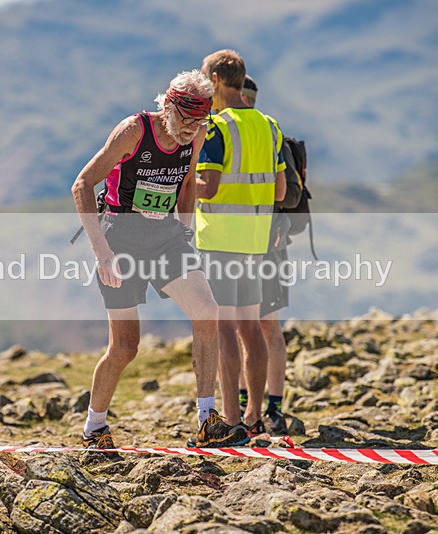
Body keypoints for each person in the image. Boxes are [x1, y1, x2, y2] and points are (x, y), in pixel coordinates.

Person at [71, 69, 249, 449]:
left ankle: (206, 419)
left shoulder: (198, 132)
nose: (191, 130)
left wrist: (185, 232)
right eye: (186, 120)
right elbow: (82, 185)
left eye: (199, 122)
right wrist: (102, 252)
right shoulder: (134, 130)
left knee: (207, 311)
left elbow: (186, 183)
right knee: (125, 347)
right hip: (120, 239)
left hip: (166, 238)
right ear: (167, 106)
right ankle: (94, 428)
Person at [195, 50, 287, 437]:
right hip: (256, 239)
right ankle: (254, 416)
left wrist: (186, 182)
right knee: (251, 328)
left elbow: (210, 187)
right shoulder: (269, 126)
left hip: (219, 239)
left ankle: (230, 419)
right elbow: (280, 190)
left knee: (224, 330)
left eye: (203, 79)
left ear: (215, 80)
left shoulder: (216, 127)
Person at [236, 74, 302, 436]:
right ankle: (261, 407)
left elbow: (285, 195)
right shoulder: (266, 132)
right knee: (258, 327)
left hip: (261, 245)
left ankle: (262, 407)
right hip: (265, 245)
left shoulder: (257, 134)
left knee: (254, 327)